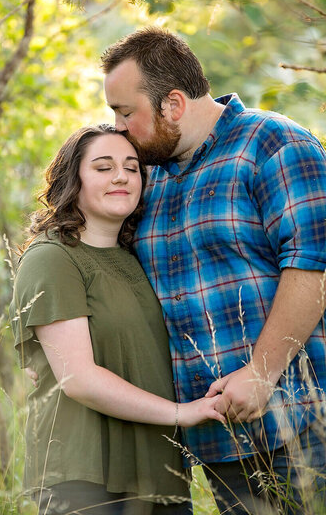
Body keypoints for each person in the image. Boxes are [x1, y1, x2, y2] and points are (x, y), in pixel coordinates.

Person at [101, 28, 326, 514]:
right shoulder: (147, 177)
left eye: (124, 112)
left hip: (301, 422)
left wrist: (263, 373)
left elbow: (314, 264)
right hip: (217, 442)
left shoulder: (275, 144)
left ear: (174, 104)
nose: (118, 127)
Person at [10, 124, 225, 515]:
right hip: (86, 478)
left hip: (158, 474)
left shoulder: (137, 257)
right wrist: (184, 413)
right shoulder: (52, 258)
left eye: (131, 167)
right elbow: (79, 379)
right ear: (71, 179)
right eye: (104, 167)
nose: (122, 176)